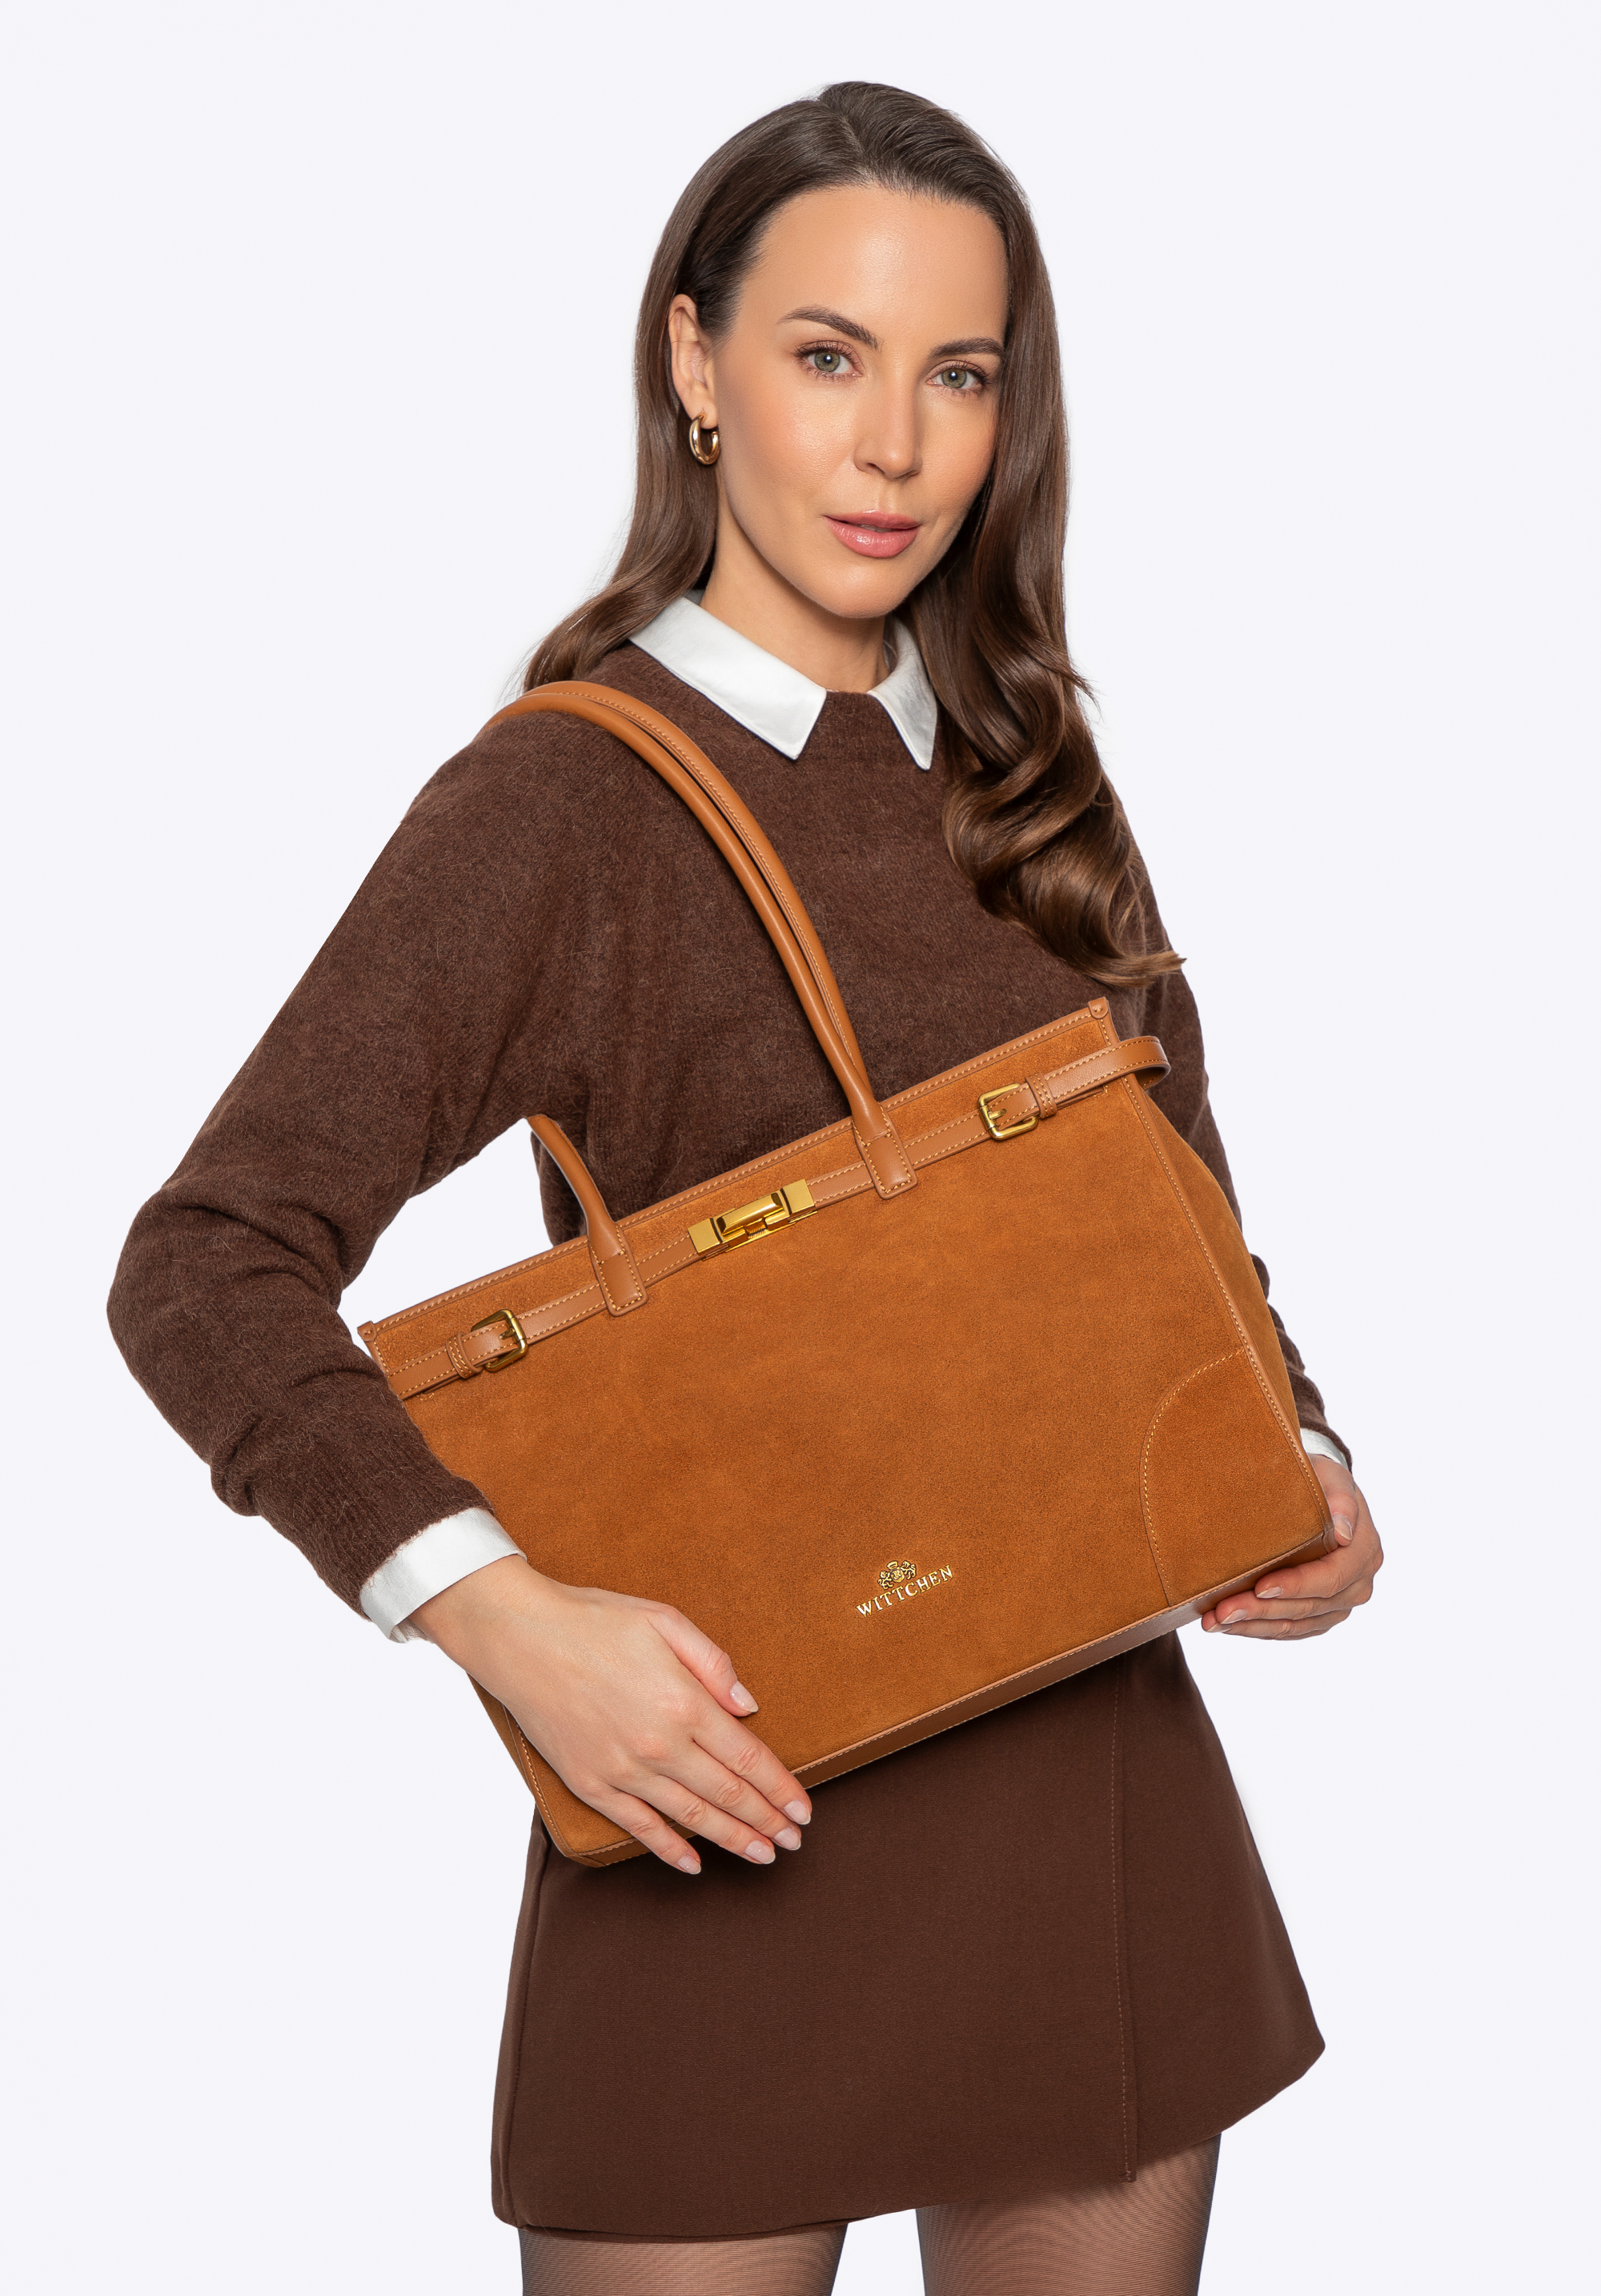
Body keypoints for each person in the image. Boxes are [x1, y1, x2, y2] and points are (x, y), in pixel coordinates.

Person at [109, 80, 1382, 2296]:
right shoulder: (565, 803)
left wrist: (1301, 1453)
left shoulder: (1029, 772)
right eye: (826, 355)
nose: (894, 446)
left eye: (958, 375)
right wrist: (503, 1618)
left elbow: (1178, 1203)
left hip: (1087, 1803)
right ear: (694, 363)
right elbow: (205, 1262)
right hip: (718, 1795)